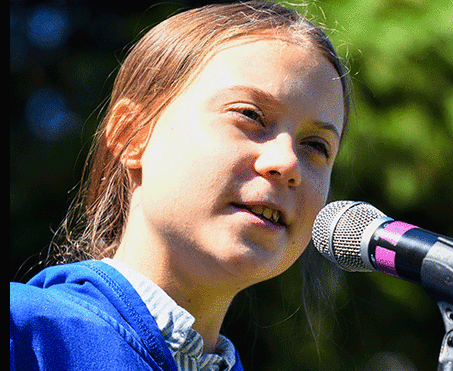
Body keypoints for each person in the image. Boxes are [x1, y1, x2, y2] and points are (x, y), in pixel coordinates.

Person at [10, 2, 351, 370]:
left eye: (316, 146)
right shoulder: (23, 334)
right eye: (250, 115)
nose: (287, 163)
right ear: (132, 135)